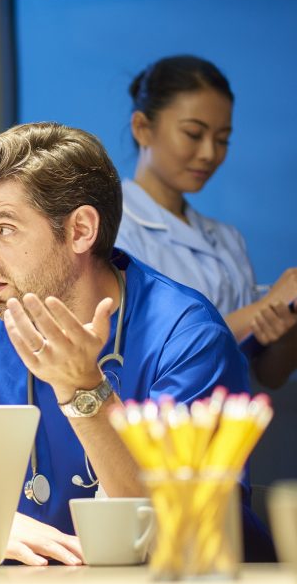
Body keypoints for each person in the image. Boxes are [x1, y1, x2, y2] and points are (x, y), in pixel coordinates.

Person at [0, 121, 273, 565]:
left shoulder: (188, 338)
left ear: (81, 230)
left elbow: (181, 529)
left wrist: (83, 390)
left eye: (4, 229)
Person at [116, 55, 297, 388]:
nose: (209, 154)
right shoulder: (113, 230)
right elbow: (147, 357)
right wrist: (263, 307)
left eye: (222, 139)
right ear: (142, 128)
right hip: (160, 416)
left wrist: (284, 330)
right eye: (193, 133)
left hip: (236, 417)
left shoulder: (227, 239)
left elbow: (268, 376)